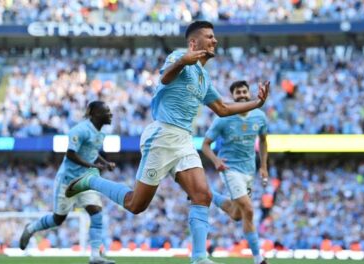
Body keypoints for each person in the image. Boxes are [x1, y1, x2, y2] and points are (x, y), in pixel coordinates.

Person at [65, 21, 269, 264]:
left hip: (183, 139)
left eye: (215, 37)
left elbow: (223, 108)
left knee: (202, 195)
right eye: (209, 37)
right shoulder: (179, 57)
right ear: (194, 42)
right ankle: (91, 180)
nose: (215, 41)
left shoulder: (204, 77)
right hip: (162, 137)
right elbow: (164, 78)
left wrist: (256, 103)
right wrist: (184, 60)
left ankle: (199, 257)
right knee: (135, 204)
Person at [19, 101, 115, 264]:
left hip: (85, 181)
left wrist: (104, 163)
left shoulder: (101, 133)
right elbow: (70, 154)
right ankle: (31, 228)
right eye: (106, 111)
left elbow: (92, 151)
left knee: (97, 213)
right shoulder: (80, 130)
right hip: (67, 181)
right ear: (95, 114)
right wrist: (93, 165)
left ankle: (95, 256)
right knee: (58, 219)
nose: (110, 114)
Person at [202, 80, 269, 264]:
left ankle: (207, 194)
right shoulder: (223, 118)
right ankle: (258, 259)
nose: (241, 95)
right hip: (230, 169)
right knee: (248, 209)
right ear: (233, 96)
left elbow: (263, 141)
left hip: (249, 171)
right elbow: (205, 144)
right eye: (237, 92)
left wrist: (263, 166)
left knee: (237, 214)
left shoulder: (260, 117)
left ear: (249, 94)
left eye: (243, 91)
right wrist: (216, 161)